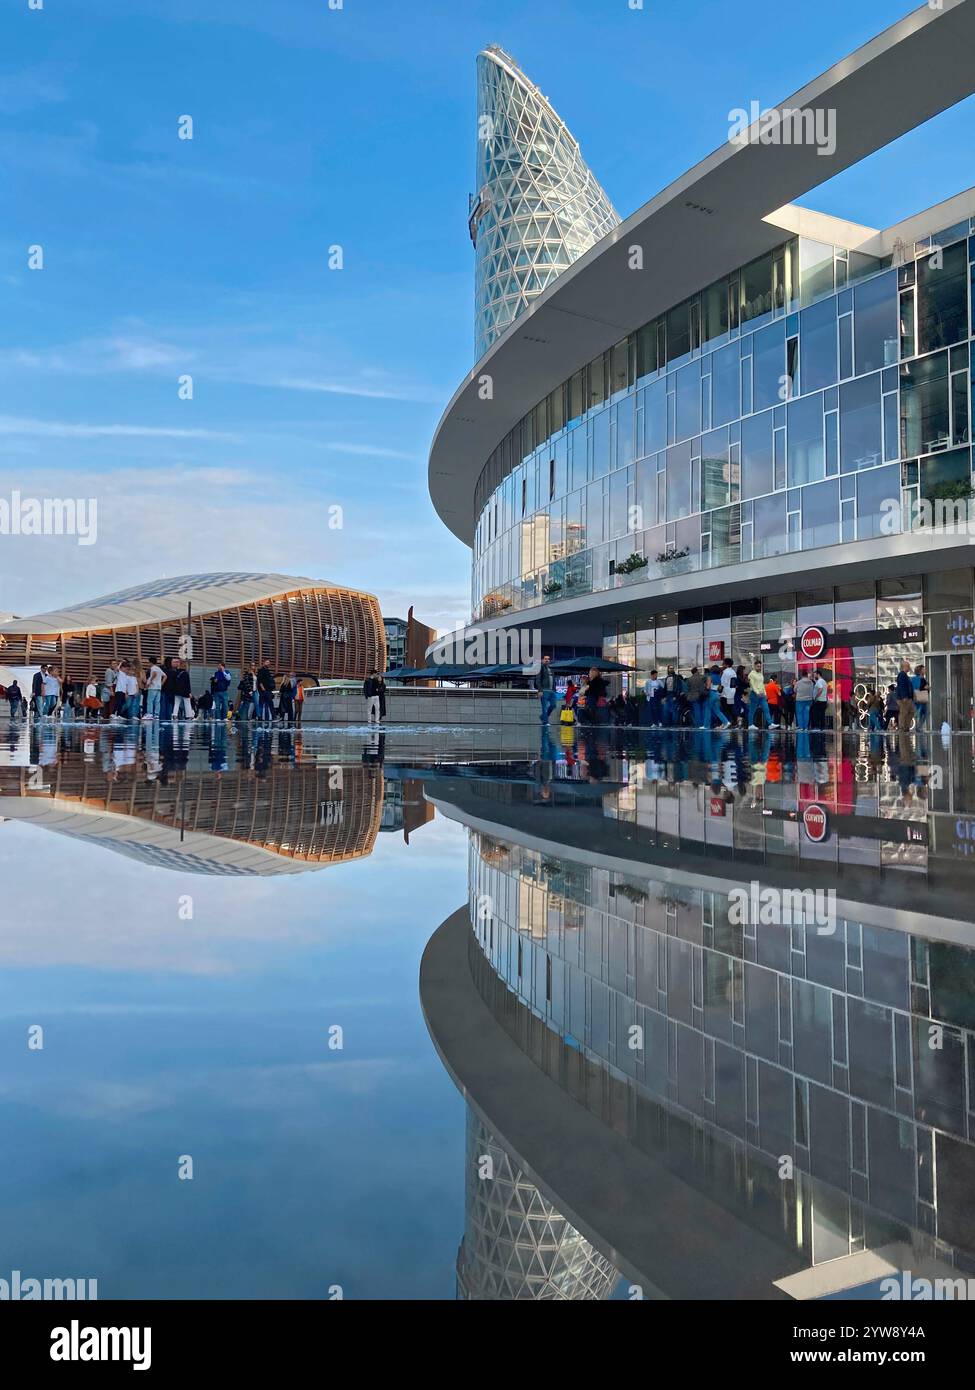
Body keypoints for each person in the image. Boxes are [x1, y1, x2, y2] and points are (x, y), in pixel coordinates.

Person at [747, 660, 773, 729]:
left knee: (766, 709)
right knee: (752, 710)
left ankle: (770, 724)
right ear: (754, 666)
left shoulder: (760, 674)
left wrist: (765, 693)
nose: (759, 668)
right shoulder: (751, 674)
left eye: (760, 666)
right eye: (758, 666)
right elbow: (752, 685)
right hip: (754, 694)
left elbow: (762, 685)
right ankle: (750, 725)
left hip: (762, 694)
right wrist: (757, 692)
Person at [535, 654, 557, 723]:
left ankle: (543, 717)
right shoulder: (540, 668)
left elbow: (553, 680)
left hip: (551, 691)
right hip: (544, 690)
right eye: (545, 659)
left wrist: (554, 689)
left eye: (548, 659)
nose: (547, 660)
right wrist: (540, 690)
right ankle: (545, 722)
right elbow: (537, 680)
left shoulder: (551, 669)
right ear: (542, 660)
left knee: (553, 705)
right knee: (544, 707)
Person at [707, 664, 730, 729]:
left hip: (711, 693)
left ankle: (706, 725)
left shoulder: (710, 677)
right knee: (717, 710)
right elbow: (720, 688)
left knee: (708, 709)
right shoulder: (719, 677)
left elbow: (708, 687)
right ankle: (726, 722)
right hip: (717, 694)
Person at [895, 660, 915, 732]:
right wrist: (904, 696)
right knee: (904, 712)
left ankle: (905, 727)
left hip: (907, 698)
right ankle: (902, 728)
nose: (909, 667)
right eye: (908, 666)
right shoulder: (902, 675)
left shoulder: (905, 675)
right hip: (904, 698)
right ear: (905, 666)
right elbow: (902, 686)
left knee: (910, 712)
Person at [719, 658, 737, 727]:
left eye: (723, 663)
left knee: (725, 708)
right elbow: (734, 683)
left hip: (725, 694)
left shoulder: (725, 672)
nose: (722, 665)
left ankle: (726, 722)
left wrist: (720, 692)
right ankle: (734, 722)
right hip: (732, 692)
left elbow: (722, 683)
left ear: (726, 664)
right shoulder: (733, 672)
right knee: (730, 708)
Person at [912, 664, 929, 731]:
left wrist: (927, 688)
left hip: (923, 697)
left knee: (924, 713)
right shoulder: (915, 678)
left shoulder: (923, 679)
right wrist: (924, 687)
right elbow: (916, 688)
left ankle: (919, 726)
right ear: (920, 670)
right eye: (923, 669)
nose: (925, 670)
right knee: (919, 712)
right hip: (918, 698)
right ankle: (918, 727)